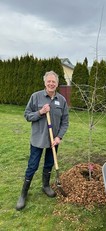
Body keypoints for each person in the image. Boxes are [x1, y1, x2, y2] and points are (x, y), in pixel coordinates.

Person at [16, 71, 69, 210]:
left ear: (57, 84)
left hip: (53, 140)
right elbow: (27, 115)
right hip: (38, 139)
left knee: (49, 163)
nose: (51, 84)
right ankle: (23, 193)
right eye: (49, 81)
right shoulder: (36, 97)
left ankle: (45, 186)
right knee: (32, 166)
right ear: (45, 82)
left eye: (54, 82)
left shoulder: (61, 100)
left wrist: (59, 137)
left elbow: (65, 121)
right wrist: (40, 112)